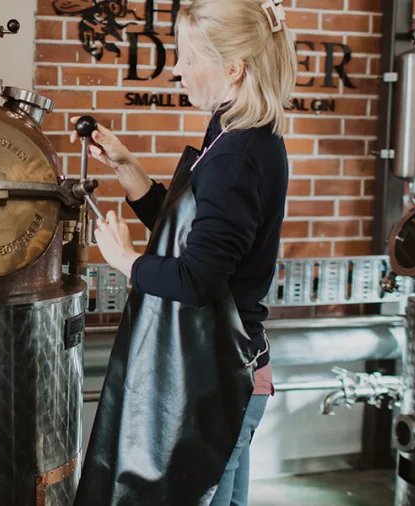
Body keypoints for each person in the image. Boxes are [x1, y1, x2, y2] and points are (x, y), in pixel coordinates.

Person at [70, 1, 296, 505]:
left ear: (232, 70)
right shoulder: (234, 135)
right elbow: (197, 238)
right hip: (223, 369)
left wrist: (125, 260)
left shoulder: (238, 155)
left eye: (188, 56)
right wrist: (129, 170)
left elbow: (198, 279)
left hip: (218, 378)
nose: (176, 68)